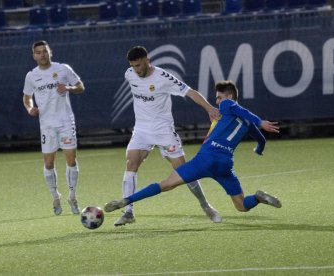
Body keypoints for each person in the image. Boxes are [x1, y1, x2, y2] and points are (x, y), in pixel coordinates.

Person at [105, 80, 282, 219]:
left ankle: (126, 201)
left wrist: (261, 122)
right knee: (241, 205)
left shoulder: (227, 106)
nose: (217, 101)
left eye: (219, 97)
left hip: (205, 159)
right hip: (225, 165)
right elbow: (261, 138)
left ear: (229, 97)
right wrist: (259, 148)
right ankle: (258, 198)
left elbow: (244, 112)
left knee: (166, 184)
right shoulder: (248, 122)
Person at [113, 45, 222, 226]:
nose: (137, 70)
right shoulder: (129, 74)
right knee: (131, 162)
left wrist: (210, 108)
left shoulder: (163, 78)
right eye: (134, 66)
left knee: (184, 171)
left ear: (147, 60)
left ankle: (206, 206)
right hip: (141, 130)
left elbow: (190, 92)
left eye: (139, 65)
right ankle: (128, 211)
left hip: (163, 130)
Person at [23, 40, 85, 216]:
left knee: (71, 160)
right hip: (47, 125)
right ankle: (55, 196)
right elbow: (27, 97)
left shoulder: (63, 69)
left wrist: (69, 87)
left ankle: (72, 196)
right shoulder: (31, 76)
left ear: (51, 52)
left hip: (65, 121)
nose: (42, 54)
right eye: (39, 52)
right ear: (34, 56)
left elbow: (81, 86)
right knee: (48, 163)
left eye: (45, 51)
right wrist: (30, 108)